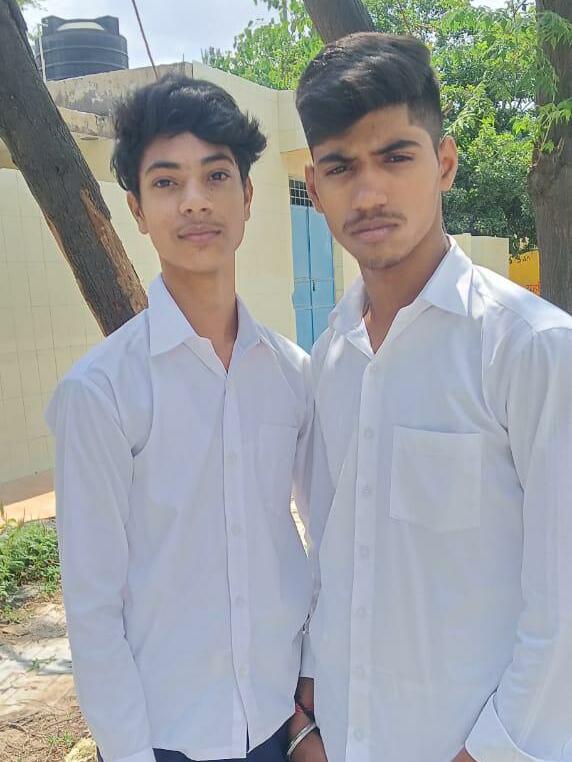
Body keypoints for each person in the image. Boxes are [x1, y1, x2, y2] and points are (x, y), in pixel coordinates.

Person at [295, 32, 572, 762]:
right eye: (341, 167)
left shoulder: (532, 350)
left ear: (444, 163)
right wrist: (307, 725)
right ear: (314, 188)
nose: (369, 193)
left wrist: (493, 752)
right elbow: (331, 560)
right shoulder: (331, 358)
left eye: (396, 156)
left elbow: (564, 605)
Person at [46, 75, 315, 762]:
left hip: (278, 724)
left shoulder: (292, 374)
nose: (195, 200)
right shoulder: (101, 393)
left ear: (247, 196)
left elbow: (325, 546)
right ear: (137, 210)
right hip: (165, 740)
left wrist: (309, 715)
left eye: (216, 175)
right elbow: (93, 609)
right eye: (167, 182)